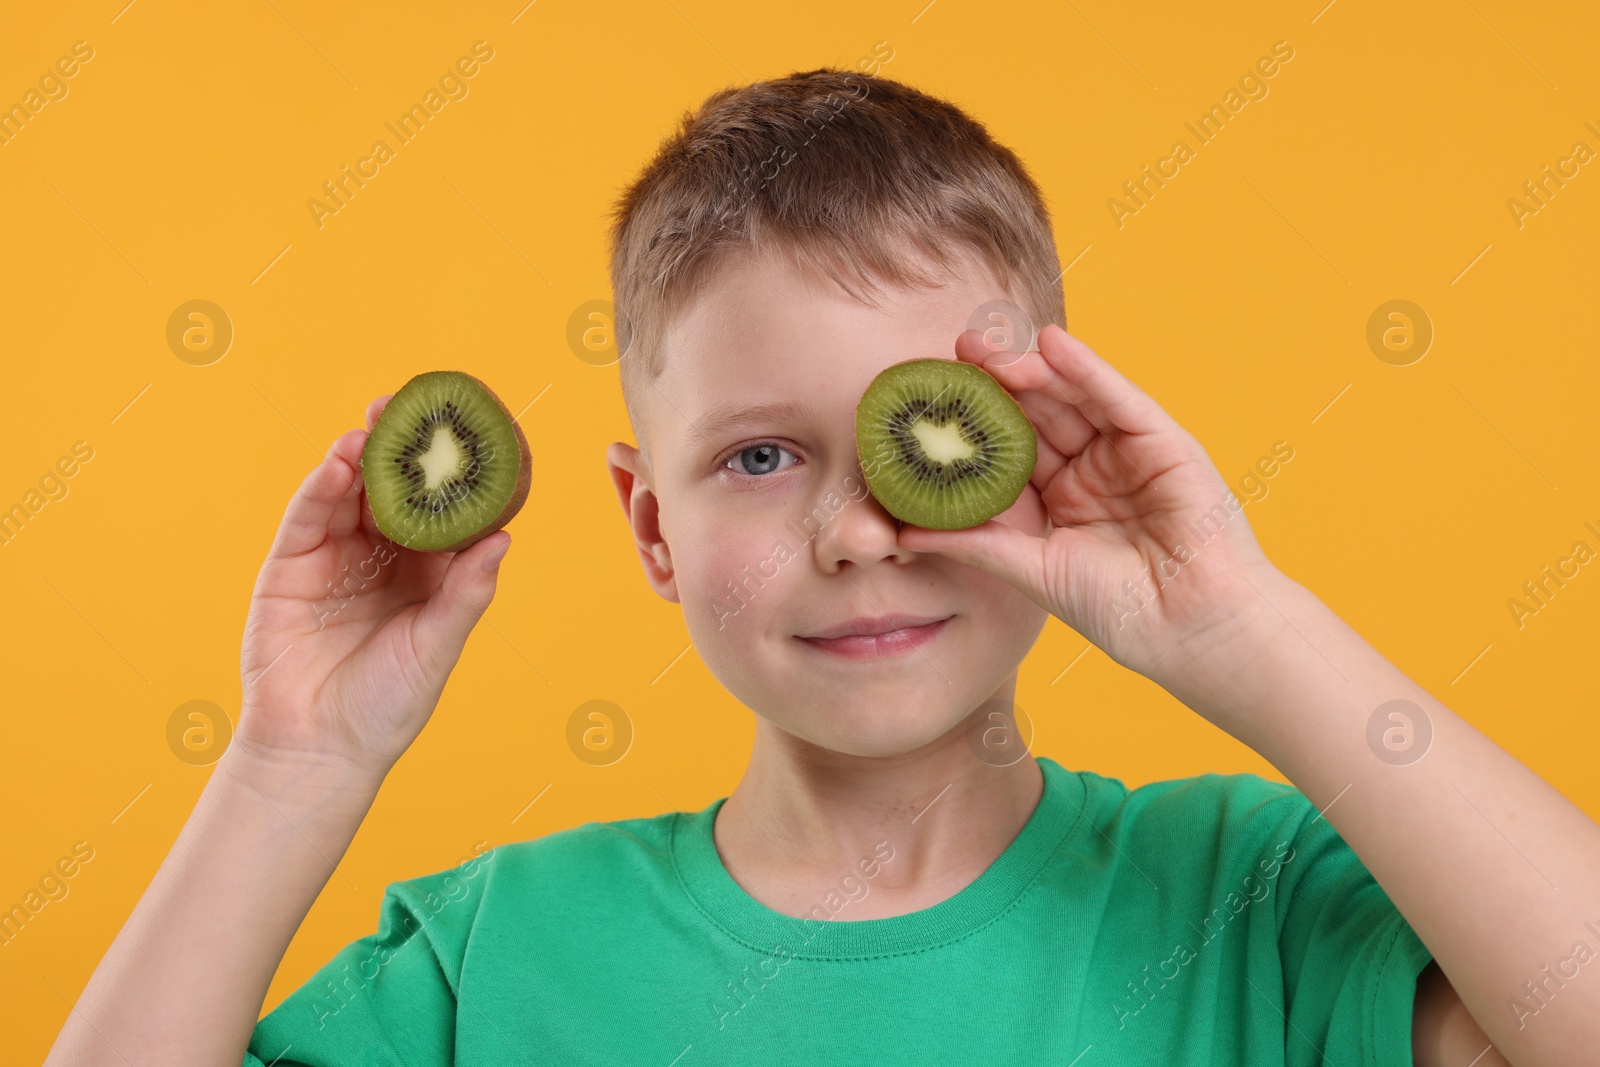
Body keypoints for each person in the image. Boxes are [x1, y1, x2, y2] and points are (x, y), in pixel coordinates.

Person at [47, 67, 1600, 1067]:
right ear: (649, 526)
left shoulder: (1251, 905)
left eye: (922, 440)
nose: (858, 532)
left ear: (1044, 449)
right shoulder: (494, 955)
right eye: (760, 457)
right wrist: (289, 764)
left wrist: (1240, 623)